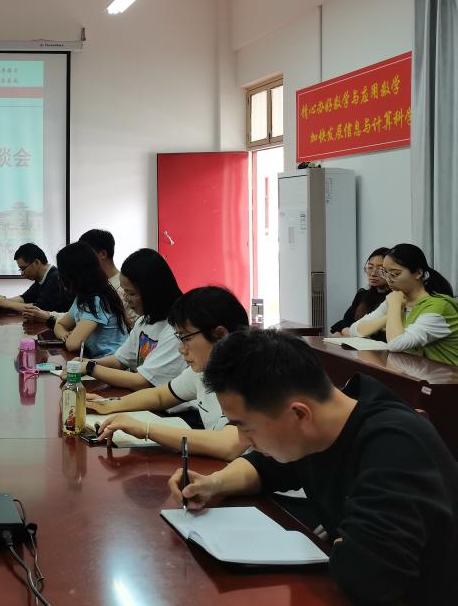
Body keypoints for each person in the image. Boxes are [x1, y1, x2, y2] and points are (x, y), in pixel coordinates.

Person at [168, 329, 458, 604]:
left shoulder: (395, 447)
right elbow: (262, 468)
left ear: (298, 414)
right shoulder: (324, 422)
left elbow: (365, 578)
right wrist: (213, 484)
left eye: (245, 427)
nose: (243, 440)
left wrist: (346, 546)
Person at [88, 286, 249, 461]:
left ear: (220, 334)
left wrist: (146, 430)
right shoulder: (204, 371)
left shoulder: (252, 376)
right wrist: (110, 404)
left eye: (186, 338)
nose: (181, 349)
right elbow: (160, 396)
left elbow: (228, 445)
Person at [74, 248, 185, 391]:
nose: (125, 298)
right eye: (124, 291)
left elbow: (142, 381)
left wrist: (90, 368)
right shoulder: (145, 320)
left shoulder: (177, 329)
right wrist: (88, 362)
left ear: (152, 292)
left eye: (131, 293)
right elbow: (120, 360)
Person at [350, 243, 458, 365]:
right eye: (385, 273)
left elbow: (396, 344)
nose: (389, 279)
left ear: (418, 273)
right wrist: (389, 316)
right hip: (413, 371)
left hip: (447, 375)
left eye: (395, 274)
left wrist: (394, 307)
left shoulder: (438, 307)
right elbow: (355, 330)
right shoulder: (397, 299)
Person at [43, 242, 127, 359]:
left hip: (110, 364)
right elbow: (60, 324)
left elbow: (73, 345)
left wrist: (70, 337)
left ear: (72, 273)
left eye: (61, 271)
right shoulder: (83, 298)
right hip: (93, 359)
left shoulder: (97, 300)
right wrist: (65, 335)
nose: (59, 276)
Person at [77, 228, 138, 325]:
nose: (81, 261)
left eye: (85, 255)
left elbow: (133, 325)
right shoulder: (93, 285)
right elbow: (75, 315)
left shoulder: (125, 289)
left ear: (103, 254)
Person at [0, 243, 69, 313]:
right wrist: (2, 301)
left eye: (23, 268)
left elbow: (38, 308)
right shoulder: (41, 279)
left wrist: (7, 303)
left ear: (36, 262)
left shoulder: (56, 278)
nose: (22, 273)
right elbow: (25, 298)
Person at [330, 247, 389, 336]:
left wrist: (348, 331)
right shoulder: (362, 295)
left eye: (380, 269)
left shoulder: (393, 298)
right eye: (370, 267)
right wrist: (345, 330)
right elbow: (346, 321)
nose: (373, 273)